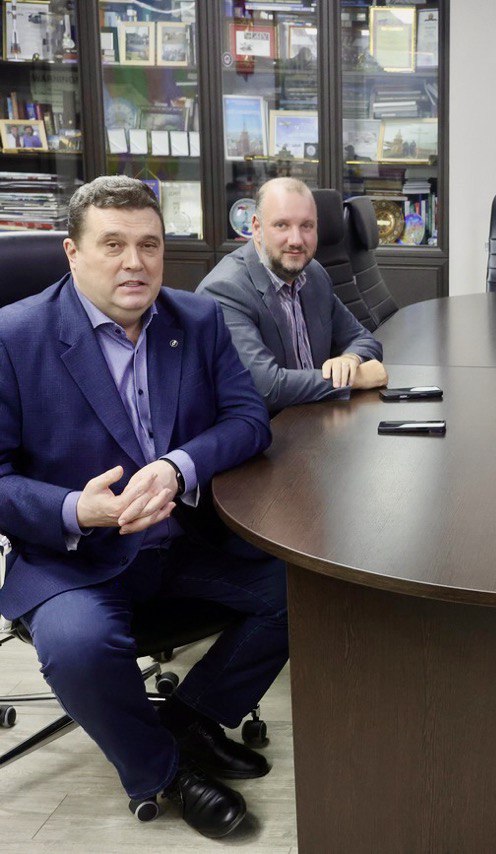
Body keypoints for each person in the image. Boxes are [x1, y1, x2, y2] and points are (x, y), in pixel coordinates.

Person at [0, 176, 287, 838]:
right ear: (73, 252)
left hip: (183, 541)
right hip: (75, 558)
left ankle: (190, 717)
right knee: (77, 644)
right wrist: (77, 509)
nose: (135, 263)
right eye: (113, 245)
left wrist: (177, 465)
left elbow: (249, 420)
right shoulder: (14, 336)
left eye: (150, 245)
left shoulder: (197, 320)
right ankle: (164, 772)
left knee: (304, 588)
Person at [197, 178, 387, 414]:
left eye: (306, 226)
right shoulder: (226, 290)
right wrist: (354, 379)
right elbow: (267, 388)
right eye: (282, 225)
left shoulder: (313, 274)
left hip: (314, 419)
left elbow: (363, 339)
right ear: (257, 228)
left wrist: (350, 360)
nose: (296, 240)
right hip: (266, 430)